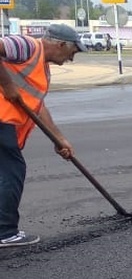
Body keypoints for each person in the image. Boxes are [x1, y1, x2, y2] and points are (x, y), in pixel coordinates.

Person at [0, 24, 84, 247]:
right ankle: (5, 232)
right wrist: (7, 85)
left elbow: (37, 105)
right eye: (73, 52)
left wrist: (59, 139)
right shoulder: (26, 46)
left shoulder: (42, 67)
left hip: (5, 122)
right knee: (12, 171)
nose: (71, 59)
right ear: (61, 44)